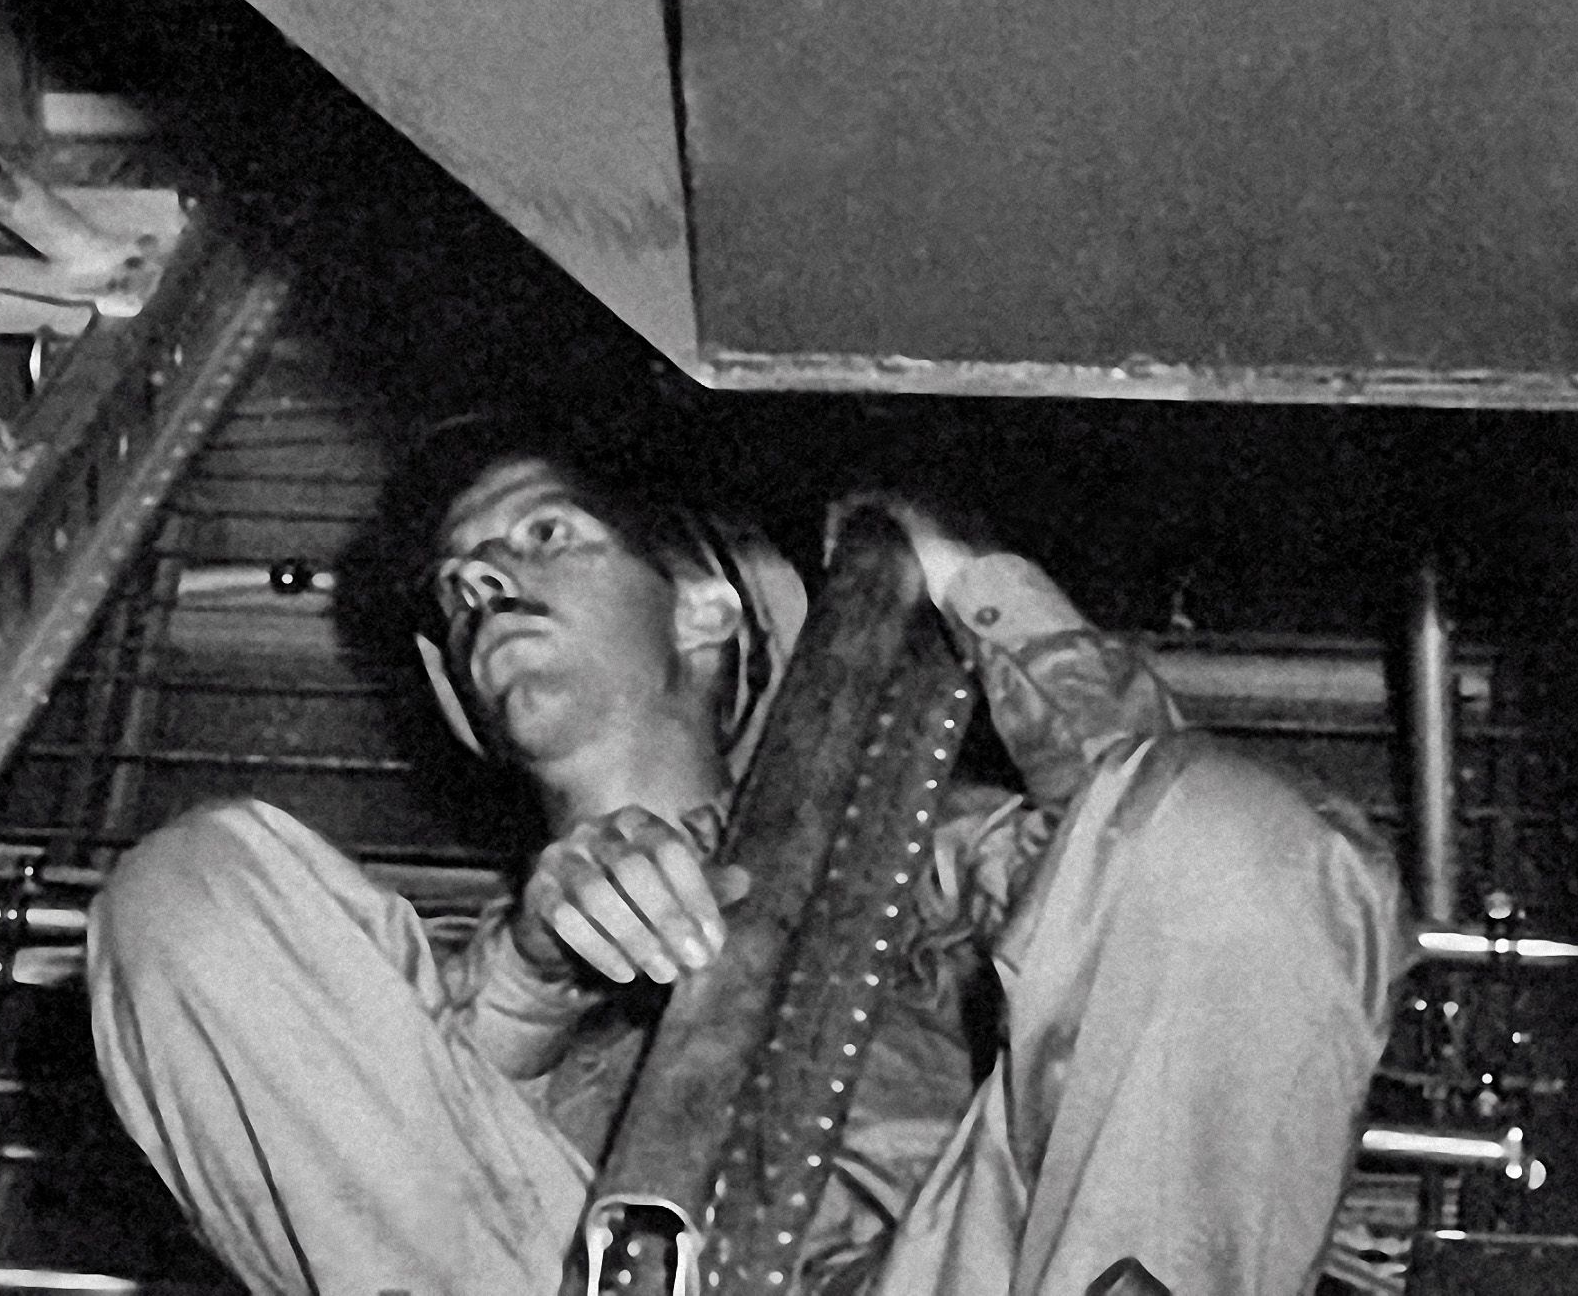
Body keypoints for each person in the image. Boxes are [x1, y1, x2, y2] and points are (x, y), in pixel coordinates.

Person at [85, 437, 1404, 1296]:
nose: (482, 575)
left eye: (542, 535)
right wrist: (533, 970)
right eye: (458, 581)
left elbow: (1194, 886)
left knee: (1232, 834)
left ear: (702, 606)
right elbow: (393, 1173)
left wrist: (969, 578)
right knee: (187, 893)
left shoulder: (908, 846)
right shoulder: (423, 977)